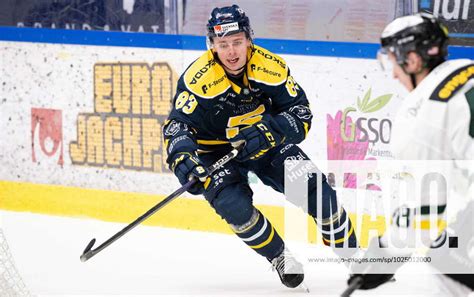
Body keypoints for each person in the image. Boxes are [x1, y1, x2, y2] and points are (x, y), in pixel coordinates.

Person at [162, 4, 358, 289]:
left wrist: (271, 131)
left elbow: (301, 113)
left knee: (318, 192)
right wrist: (183, 158)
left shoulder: (270, 68)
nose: (231, 52)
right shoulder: (199, 79)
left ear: (249, 39)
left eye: (237, 42)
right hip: (215, 152)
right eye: (223, 44)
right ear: (212, 46)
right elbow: (177, 125)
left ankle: (355, 255)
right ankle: (279, 257)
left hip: (267, 142)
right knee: (234, 207)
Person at [347, 12, 473, 293]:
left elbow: (425, 209)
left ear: (412, 60)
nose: (392, 73)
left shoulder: (423, 113)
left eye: (392, 61)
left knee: (447, 260)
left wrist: (383, 255)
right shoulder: (467, 67)